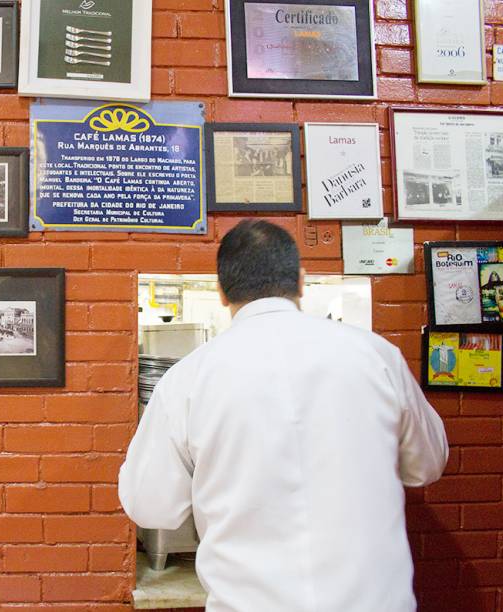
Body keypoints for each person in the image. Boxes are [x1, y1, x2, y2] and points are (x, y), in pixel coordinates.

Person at [118, 219, 448, 612]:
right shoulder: (376, 356)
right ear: (302, 282)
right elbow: (427, 465)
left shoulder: (188, 378)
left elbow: (150, 504)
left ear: (222, 293)